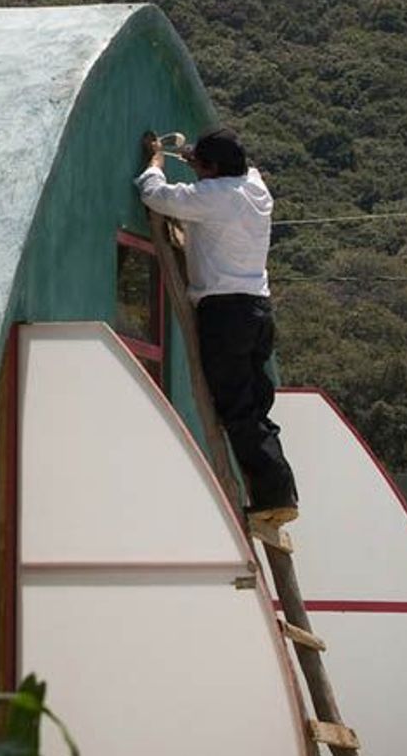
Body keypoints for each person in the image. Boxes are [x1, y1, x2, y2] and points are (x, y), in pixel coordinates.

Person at [134, 125, 299, 531]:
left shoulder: (215, 197)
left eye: (198, 166)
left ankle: (274, 498)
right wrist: (194, 157)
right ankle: (276, 495)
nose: (194, 171)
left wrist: (155, 164)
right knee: (256, 409)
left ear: (213, 170)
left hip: (225, 313)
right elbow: (232, 171)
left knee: (236, 410)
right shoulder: (255, 189)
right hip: (258, 309)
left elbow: (155, 195)